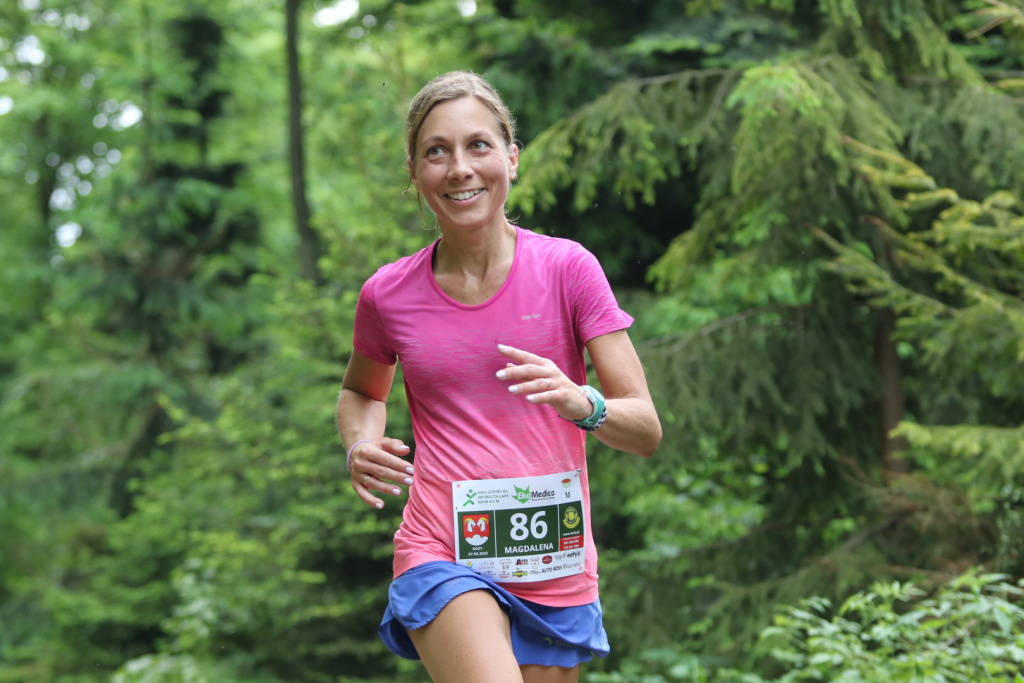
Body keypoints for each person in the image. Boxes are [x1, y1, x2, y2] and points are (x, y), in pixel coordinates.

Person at [337, 71, 661, 683]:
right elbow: (361, 391)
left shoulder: (568, 270)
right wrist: (360, 443)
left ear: (511, 158)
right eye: (437, 151)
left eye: (478, 145)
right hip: (441, 550)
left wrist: (581, 402)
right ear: (415, 173)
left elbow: (645, 429)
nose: (459, 167)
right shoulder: (388, 294)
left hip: (555, 561)